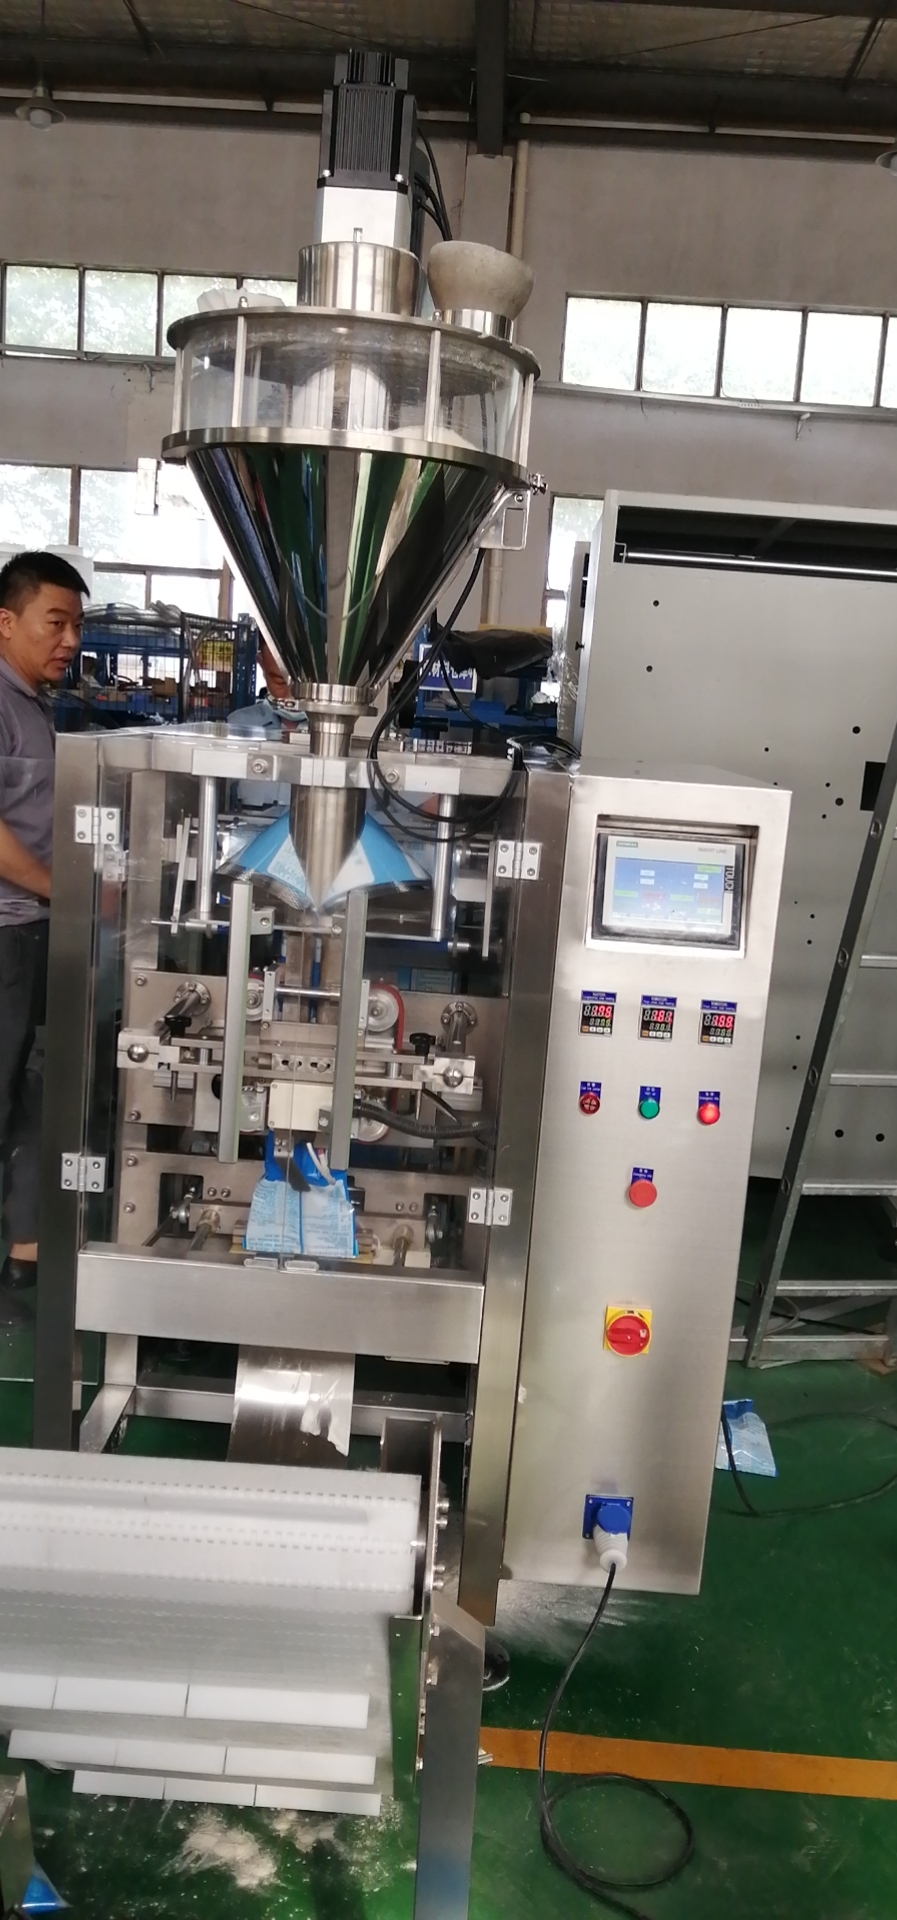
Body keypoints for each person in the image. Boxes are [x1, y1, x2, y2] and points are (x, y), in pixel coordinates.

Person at [0, 551, 87, 1328]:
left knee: (31, 1085)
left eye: (75, 625)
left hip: (30, 930)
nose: (70, 640)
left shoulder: (32, 703)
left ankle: (23, 1251)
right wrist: (62, 887)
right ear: (6, 621)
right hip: (6, 931)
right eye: (54, 622)